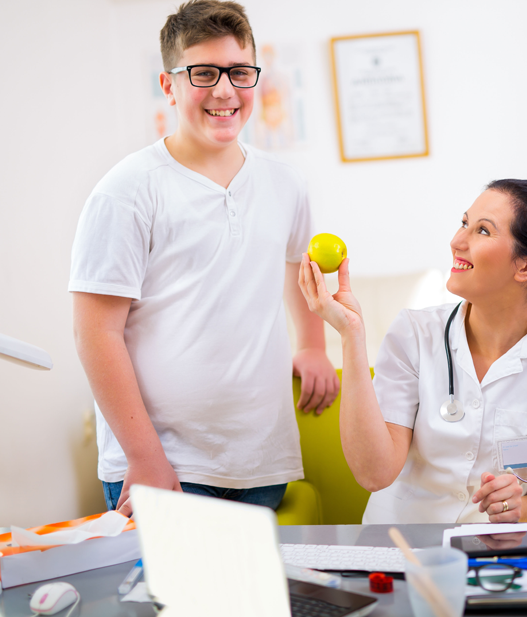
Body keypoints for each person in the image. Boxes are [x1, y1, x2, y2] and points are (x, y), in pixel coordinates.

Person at [69, 0, 339, 517]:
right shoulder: (125, 192)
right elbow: (94, 333)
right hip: (163, 467)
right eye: (202, 73)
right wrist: (145, 459)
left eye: (239, 72)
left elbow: (295, 265)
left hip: (261, 461)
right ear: (168, 85)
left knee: (255, 601)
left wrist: (312, 345)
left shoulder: (286, 183)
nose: (224, 90)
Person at [299, 179, 527, 524]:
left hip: (499, 554)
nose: (457, 242)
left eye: (483, 231)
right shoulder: (414, 332)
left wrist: (520, 509)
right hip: (403, 545)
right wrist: (351, 336)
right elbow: (374, 475)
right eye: (464, 223)